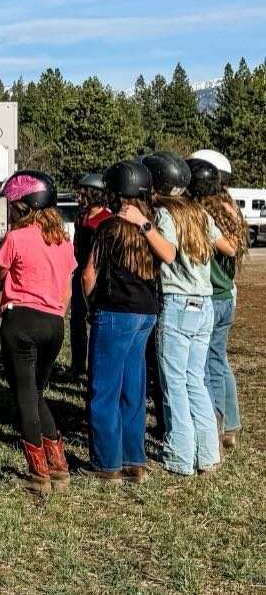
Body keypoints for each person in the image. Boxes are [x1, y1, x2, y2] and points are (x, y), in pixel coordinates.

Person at [143, 152, 236, 476]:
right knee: (195, 380)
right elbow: (226, 245)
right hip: (204, 303)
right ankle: (208, 454)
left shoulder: (165, 214)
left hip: (178, 302)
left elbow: (168, 253)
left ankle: (179, 456)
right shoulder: (199, 212)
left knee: (174, 383)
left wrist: (144, 226)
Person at [0, 171, 76, 494]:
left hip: (21, 321)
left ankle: (38, 474)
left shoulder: (17, 237)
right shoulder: (62, 241)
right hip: (54, 323)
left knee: (25, 398)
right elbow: (66, 289)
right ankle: (59, 466)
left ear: (23, 206)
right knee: (37, 393)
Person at [81, 161, 161, 484]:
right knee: (133, 387)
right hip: (146, 313)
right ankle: (134, 460)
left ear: (115, 193)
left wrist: (91, 306)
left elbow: (89, 274)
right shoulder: (149, 227)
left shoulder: (109, 228)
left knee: (104, 389)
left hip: (114, 311)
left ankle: (106, 463)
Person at [187, 155, 248, 450]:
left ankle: (215, 424)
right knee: (219, 361)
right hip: (226, 296)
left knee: (207, 366)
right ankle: (231, 424)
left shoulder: (202, 216)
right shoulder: (228, 211)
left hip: (210, 297)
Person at [67, 173, 108, 379]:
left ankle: (95, 366)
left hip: (98, 276)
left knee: (96, 320)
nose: (79, 195)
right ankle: (77, 364)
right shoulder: (81, 217)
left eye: (83, 192)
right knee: (77, 319)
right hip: (79, 273)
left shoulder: (106, 219)